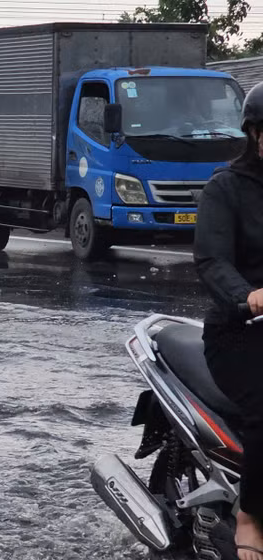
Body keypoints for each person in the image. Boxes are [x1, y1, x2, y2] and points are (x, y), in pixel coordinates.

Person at [195, 82, 263, 560]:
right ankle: (251, 518)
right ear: (256, 133)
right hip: (239, 332)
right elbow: (213, 261)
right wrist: (249, 296)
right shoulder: (226, 188)